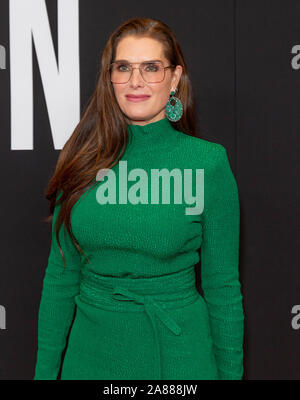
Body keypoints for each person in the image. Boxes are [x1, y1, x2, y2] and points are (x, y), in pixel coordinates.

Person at [34, 17, 244, 380]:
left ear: (175, 78)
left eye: (151, 67)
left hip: (178, 362)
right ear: (110, 77)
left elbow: (223, 287)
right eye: (124, 67)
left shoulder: (207, 163)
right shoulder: (81, 158)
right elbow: (60, 277)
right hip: (89, 360)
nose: (136, 81)